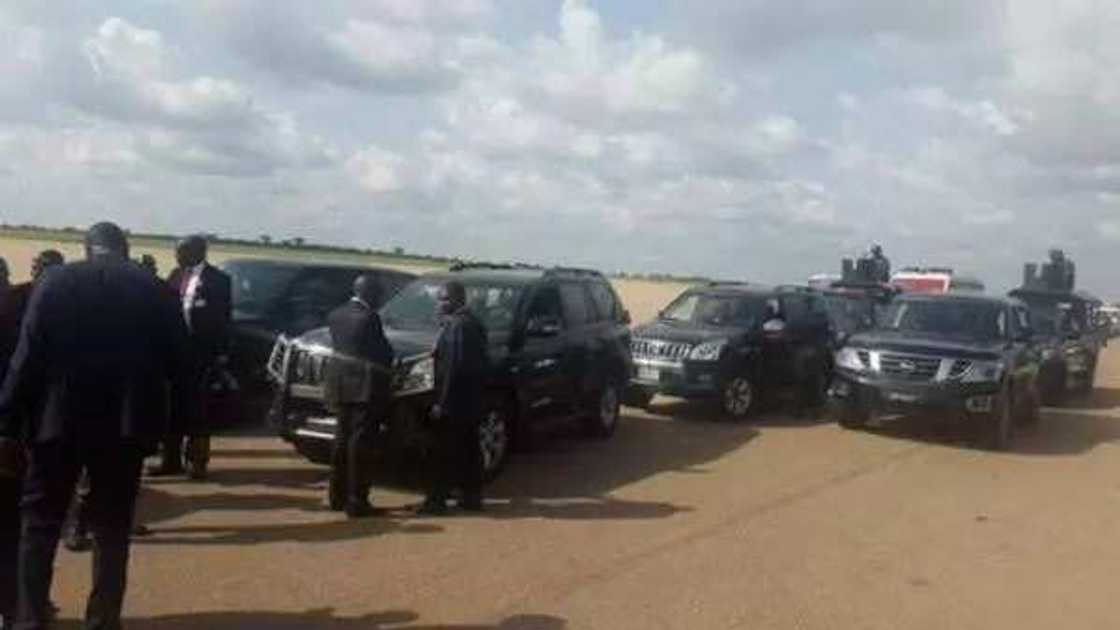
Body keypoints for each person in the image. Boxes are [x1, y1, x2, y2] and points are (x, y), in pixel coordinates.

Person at [0, 222, 192, 630]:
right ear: (124, 249)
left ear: (86, 249)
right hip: (125, 427)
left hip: (56, 422)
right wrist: (179, 426)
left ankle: (29, 619)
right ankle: (103, 620)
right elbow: (181, 364)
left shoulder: (54, 283)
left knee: (39, 525)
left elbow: (27, 357)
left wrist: (6, 418)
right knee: (111, 527)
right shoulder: (156, 289)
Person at [148, 235, 231, 481]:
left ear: (198, 252)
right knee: (172, 408)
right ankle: (170, 461)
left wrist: (221, 354)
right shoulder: (174, 276)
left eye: (181, 251)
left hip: (201, 354)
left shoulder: (218, 280)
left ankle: (198, 463)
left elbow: (223, 320)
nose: (177, 255)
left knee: (198, 410)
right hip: (174, 353)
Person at [323, 275, 394, 518]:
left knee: (341, 441)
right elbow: (383, 353)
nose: (380, 299)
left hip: (340, 386)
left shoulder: (335, 314)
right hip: (364, 389)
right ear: (369, 293)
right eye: (378, 294)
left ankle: (336, 496)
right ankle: (357, 500)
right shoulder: (369, 318)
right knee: (360, 446)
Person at [417, 281, 489, 516]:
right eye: (439, 299)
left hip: (455, 402)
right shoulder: (469, 323)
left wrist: (442, 403)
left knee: (441, 452)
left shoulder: (459, 326)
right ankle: (471, 497)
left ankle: (435, 502)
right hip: (470, 400)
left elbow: (453, 369)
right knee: (468, 450)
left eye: (444, 299)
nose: (439, 304)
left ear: (458, 300)